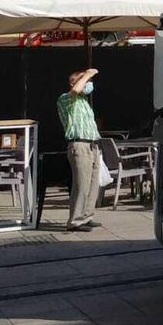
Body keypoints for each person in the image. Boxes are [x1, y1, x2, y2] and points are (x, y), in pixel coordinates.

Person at [58, 68, 102, 232]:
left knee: (92, 185)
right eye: (84, 80)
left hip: (93, 145)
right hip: (80, 145)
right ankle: (75, 221)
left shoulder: (84, 102)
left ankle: (87, 216)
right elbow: (76, 90)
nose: (88, 84)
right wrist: (88, 74)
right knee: (81, 184)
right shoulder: (66, 99)